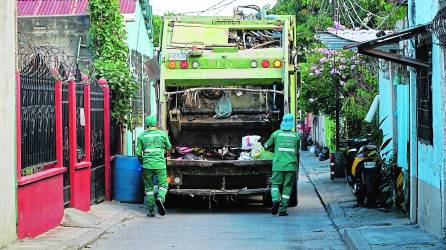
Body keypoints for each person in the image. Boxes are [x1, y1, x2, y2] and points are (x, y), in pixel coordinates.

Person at [264, 114, 300, 216]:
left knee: (275, 185)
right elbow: (297, 151)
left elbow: (266, 146)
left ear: (283, 123)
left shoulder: (276, 134)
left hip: (278, 165)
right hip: (291, 166)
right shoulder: (296, 136)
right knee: (287, 187)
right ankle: (283, 209)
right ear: (292, 124)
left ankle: (275, 199)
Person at [136, 114, 172, 217]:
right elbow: (169, 146)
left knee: (149, 189)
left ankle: (151, 211)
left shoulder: (141, 136)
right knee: (164, 185)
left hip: (147, 166)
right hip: (160, 165)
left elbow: (138, 153)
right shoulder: (162, 134)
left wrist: (143, 162)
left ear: (146, 124)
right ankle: (160, 198)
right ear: (155, 123)